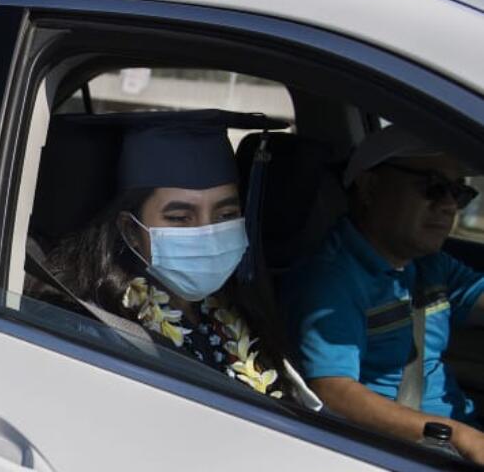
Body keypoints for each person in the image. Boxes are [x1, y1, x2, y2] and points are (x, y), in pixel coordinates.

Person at [34, 110, 321, 409]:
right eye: (180, 218)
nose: (208, 234)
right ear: (131, 230)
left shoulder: (239, 311)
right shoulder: (96, 328)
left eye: (226, 215)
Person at [285, 126, 484, 463]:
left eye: (458, 193)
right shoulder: (332, 279)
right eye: (433, 187)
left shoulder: (429, 264)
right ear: (370, 186)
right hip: (409, 454)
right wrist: (461, 437)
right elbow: (334, 391)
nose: (450, 205)